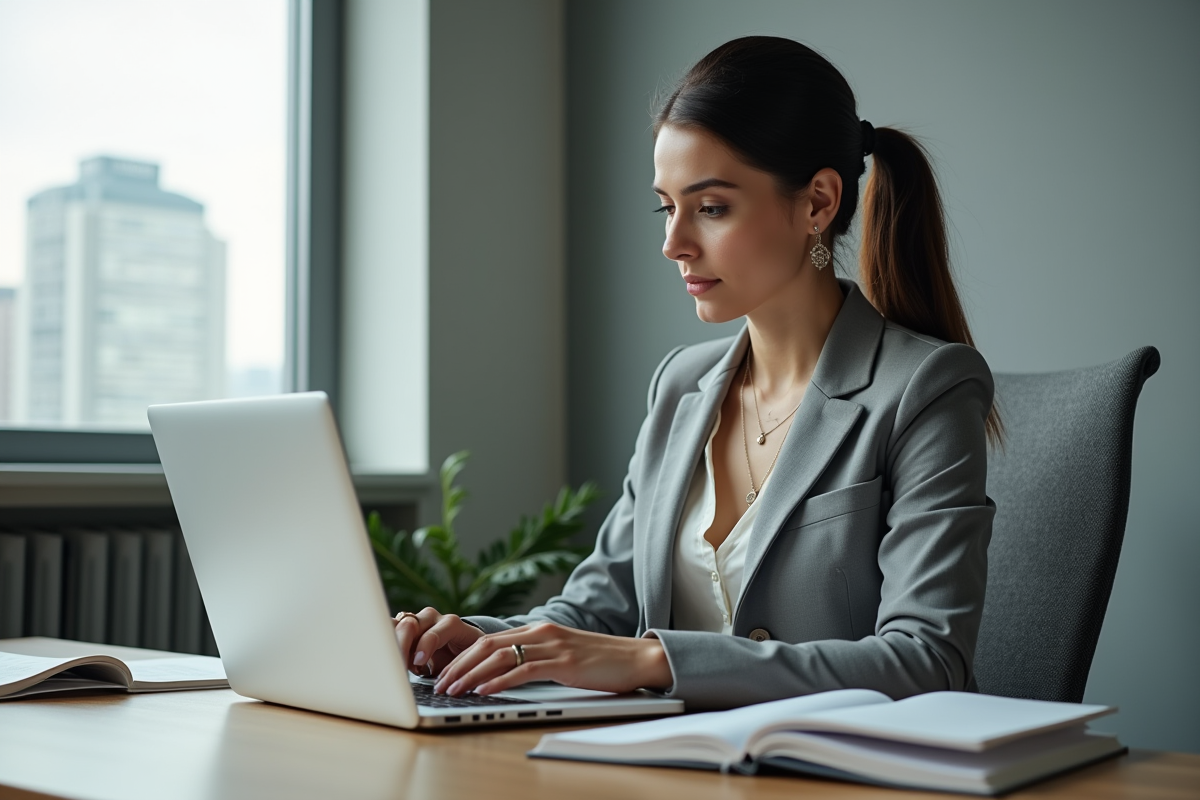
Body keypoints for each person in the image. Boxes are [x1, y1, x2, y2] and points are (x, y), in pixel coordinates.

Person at [393, 36, 999, 711]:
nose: (673, 243)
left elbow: (926, 660)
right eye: (666, 206)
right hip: (675, 757)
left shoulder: (927, 388)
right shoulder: (681, 385)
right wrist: (472, 641)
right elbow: (597, 613)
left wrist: (654, 659)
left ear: (818, 203)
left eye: (711, 208)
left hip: (843, 760)